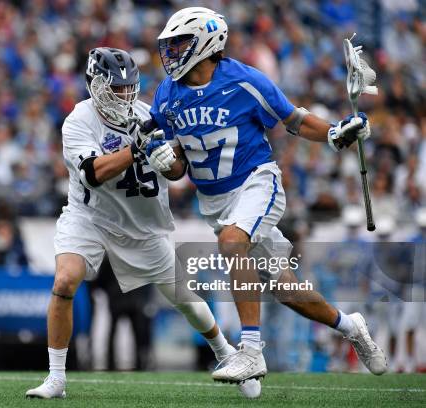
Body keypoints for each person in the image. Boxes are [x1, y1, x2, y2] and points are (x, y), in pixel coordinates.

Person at [146, 7, 387, 383]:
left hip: (256, 182)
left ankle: (251, 351)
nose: (172, 52)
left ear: (207, 43)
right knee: (286, 290)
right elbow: (178, 165)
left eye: (181, 42)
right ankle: (350, 326)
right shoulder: (166, 95)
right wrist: (165, 161)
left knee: (231, 243)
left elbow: (294, 120)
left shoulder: (243, 80)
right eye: (171, 44)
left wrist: (334, 133)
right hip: (215, 201)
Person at [26, 47, 259, 399]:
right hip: (90, 217)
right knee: (65, 280)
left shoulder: (150, 115)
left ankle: (226, 353)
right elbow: (92, 173)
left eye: (127, 87)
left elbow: (178, 171)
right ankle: (56, 377)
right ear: (95, 84)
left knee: (184, 298)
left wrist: (170, 160)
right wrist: (136, 150)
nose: (123, 93)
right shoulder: (78, 120)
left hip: (142, 225)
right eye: (115, 87)